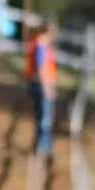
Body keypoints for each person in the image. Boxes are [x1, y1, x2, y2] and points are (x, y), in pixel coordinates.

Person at [23, 22, 57, 158]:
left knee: (41, 116)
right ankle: (42, 148)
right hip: (41, 85)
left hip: (37, 83)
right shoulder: (41, 46)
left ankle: (42, 146)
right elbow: (40, 68)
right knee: (45, 118)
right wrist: (46, 88)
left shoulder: (38, 44)